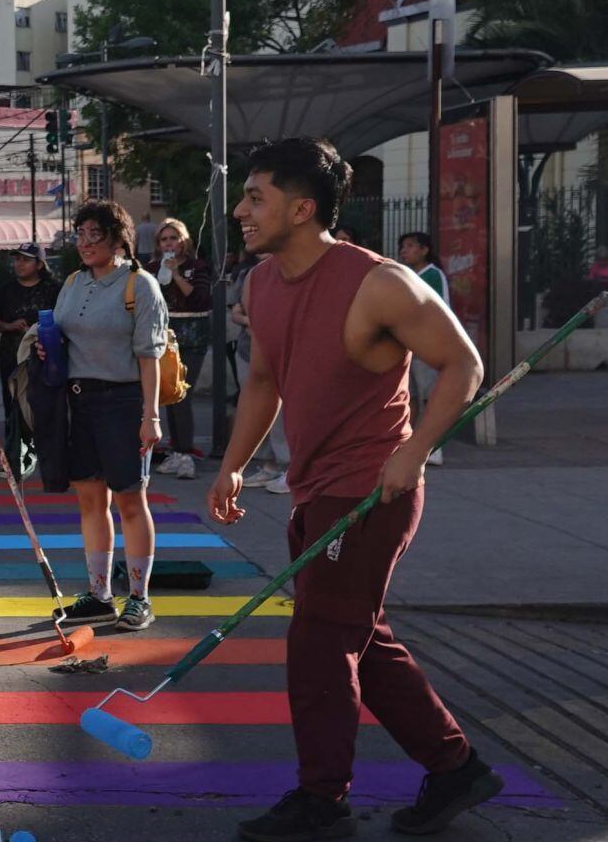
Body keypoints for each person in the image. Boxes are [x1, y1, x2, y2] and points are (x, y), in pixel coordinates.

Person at [211, 138, 501, 842]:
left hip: (372, 491)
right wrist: (232, 465)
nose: (241, 211)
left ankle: (322, 800)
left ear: (303, 209)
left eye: (257, 198)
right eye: (245, 196)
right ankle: (456, 767)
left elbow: (464, 364)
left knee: (317, 641)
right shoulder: (262, 284)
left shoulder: (379, 282)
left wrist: (415, 449)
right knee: (356, 636)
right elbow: (263, 383)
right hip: (315, 490)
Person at [45, 200, 168, 633]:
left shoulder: (140, 285)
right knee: (91, 500)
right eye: (79, 234)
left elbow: (150, 356)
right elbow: (62, 333)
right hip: (79, 402)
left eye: (93, 234)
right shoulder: (74, 281)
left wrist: (150, 416)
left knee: (131, 500)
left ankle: (139, 598)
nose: (84, 243)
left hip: (123, 401)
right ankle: (99, 596)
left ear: (118, 238)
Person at [152, 218, 212, 480]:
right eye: (164, 239)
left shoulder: (197, 266)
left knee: (183, 392)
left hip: (193, 335)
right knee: (169, 393)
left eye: (173, 238)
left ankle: (186, 452)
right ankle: (176, 450)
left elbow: (199, 297)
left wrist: (176, 274)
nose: (169, 243)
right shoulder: (153, 267)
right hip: (165, 335)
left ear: (183, 241)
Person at [0, 242, 58, 462]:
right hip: (12, 356)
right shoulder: (5, 290)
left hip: (46, 357)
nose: (19, 264)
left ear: (39, 264)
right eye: (17, 259)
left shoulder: (54, 288)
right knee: (13, 403)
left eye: (26, 259)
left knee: (47, 402)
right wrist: (7, 326)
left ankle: (50, 451)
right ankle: (15, 451)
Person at [230, 257, 291, 495]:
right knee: (252, 409)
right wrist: (252, 321)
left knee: (279, 412)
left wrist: (260, 324)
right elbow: (236, 312)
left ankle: (289, 467)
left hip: (280, 352)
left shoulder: (292, 272)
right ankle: (269, 464)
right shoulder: (251, 274)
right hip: (248, 351)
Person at [397, 231, 451, 468]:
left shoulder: (433, 275)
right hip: (408, 345)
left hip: (427, 346)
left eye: (410, 246)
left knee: (429, 397)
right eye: (403, 246)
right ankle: (410, 442)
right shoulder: (406, 275)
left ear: (424, 249)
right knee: (412, 398)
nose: (404, 251)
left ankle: (433, 446)